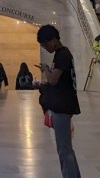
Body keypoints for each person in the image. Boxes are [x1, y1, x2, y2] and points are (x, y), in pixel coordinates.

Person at [35, 24, 81, 178]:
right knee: (66, 148)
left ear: (53, 40)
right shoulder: (62, 53)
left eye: (45, 44)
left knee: (64, 149)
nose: (45, 47)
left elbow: (53, 80)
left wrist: (46, 69)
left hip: (62, 106)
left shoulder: (62, 55)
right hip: (64, 105)